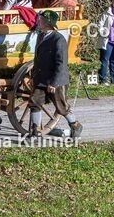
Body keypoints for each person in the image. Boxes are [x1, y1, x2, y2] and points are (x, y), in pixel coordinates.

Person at [27, 10, 82, 139]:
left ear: (47, 23)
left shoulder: (59, 40)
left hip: (56, 80)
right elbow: (37, 59)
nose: (38, 22)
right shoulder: (41, 36)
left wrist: (54, 83)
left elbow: (61, 63)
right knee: (35, 102)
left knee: (61, 106)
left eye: (40, 20)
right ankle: (35, 132)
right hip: (41, 78)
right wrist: (33, 76)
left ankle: (75, 125)